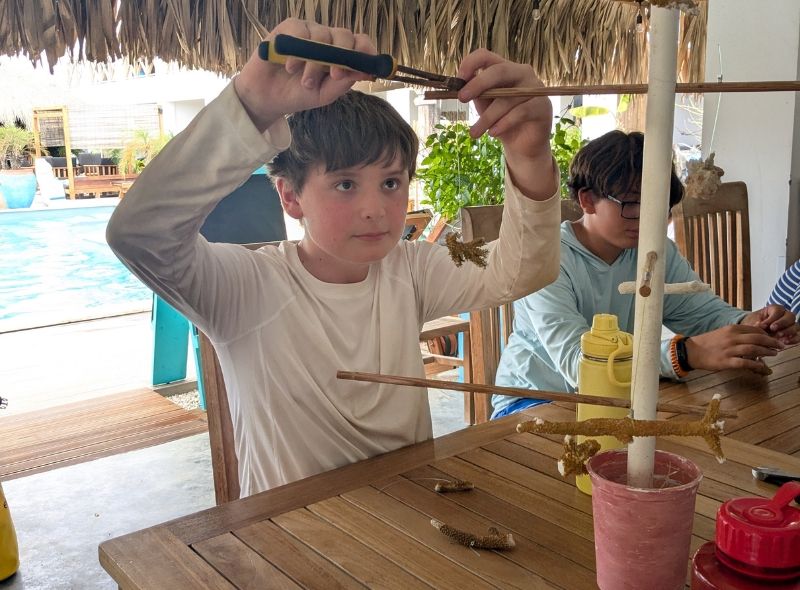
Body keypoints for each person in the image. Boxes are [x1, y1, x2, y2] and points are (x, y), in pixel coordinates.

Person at [106, 18, 561, 496]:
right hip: (289, 531)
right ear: (290, 196)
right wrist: (251, 104)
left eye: (391, 182)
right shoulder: (245, 289)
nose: (375, 209)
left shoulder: (411, 269)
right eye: (345, 184)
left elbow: (522, 269)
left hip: (412, 513)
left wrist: (530, 155)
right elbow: (140, 236)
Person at [492, 130, 799, 418]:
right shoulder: (545, 259)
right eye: (632, 204)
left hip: (614, 396)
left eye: (657, 204)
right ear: (587, 200)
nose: (646, 217)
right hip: (532, 401)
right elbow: (579, 364)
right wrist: (684, 353)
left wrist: (749, 324)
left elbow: (701, 314)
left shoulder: (653, 252)